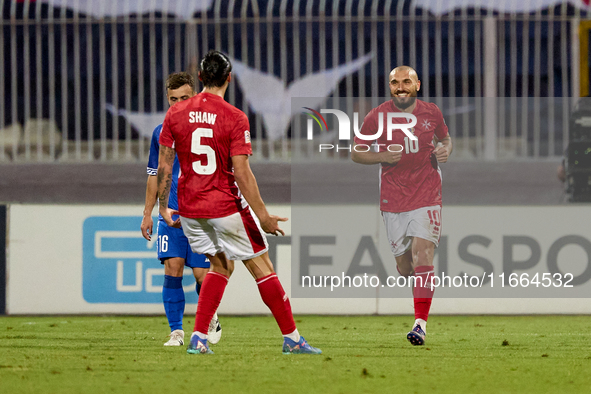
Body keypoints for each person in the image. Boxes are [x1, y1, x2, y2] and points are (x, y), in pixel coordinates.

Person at [157, 50, 321, 355]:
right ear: (229, 79)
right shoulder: (234, 117)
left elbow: (165, 165)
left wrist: (163, 206)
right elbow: (242, 173)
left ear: (201, 78)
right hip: (224, 206)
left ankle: (199, 337)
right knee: (263, 267)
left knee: (221, 265)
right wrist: (264, 216)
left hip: (190, 210)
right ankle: (293, 338)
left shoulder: (175, 114)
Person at [351, 66, 452, 346]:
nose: (400, 87)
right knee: (406, 268)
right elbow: (356, 152)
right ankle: (416, 281)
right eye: (394, 82)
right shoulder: (378, 116)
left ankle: (420, 324)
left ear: (417, 84)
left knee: (424, 254)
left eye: (406, 81)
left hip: (427, 192)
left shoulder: (431, 112)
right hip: (393, 199)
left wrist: (446, 150)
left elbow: (445, 139)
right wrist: (382, 155)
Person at [141, 72, 222, 347]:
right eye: (172, 99)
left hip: (201, 214)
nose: (177, 103)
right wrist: (148, 213)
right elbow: (154, 174)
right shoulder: (160, 132)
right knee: (172, 268)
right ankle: (176, 332)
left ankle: (209, 314)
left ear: (195, 96)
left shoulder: (208, 128)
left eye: (184, 98)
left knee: (202, 276)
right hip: (171, 213)